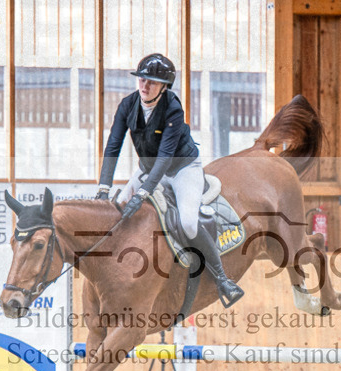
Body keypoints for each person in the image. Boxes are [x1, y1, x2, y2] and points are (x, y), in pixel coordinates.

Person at [96, 53, 244, 307]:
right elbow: (113, 146)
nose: (144, 86)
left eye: (152, 82)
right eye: (142, 80)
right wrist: (103, 188)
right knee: (117, 211)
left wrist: (142, 193)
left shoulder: (172, 108)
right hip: (148, 168)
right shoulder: (127, 105)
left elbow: (165, 157)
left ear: (164, 87)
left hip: (181, 170)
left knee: (187, 223)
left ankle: (222, 279)